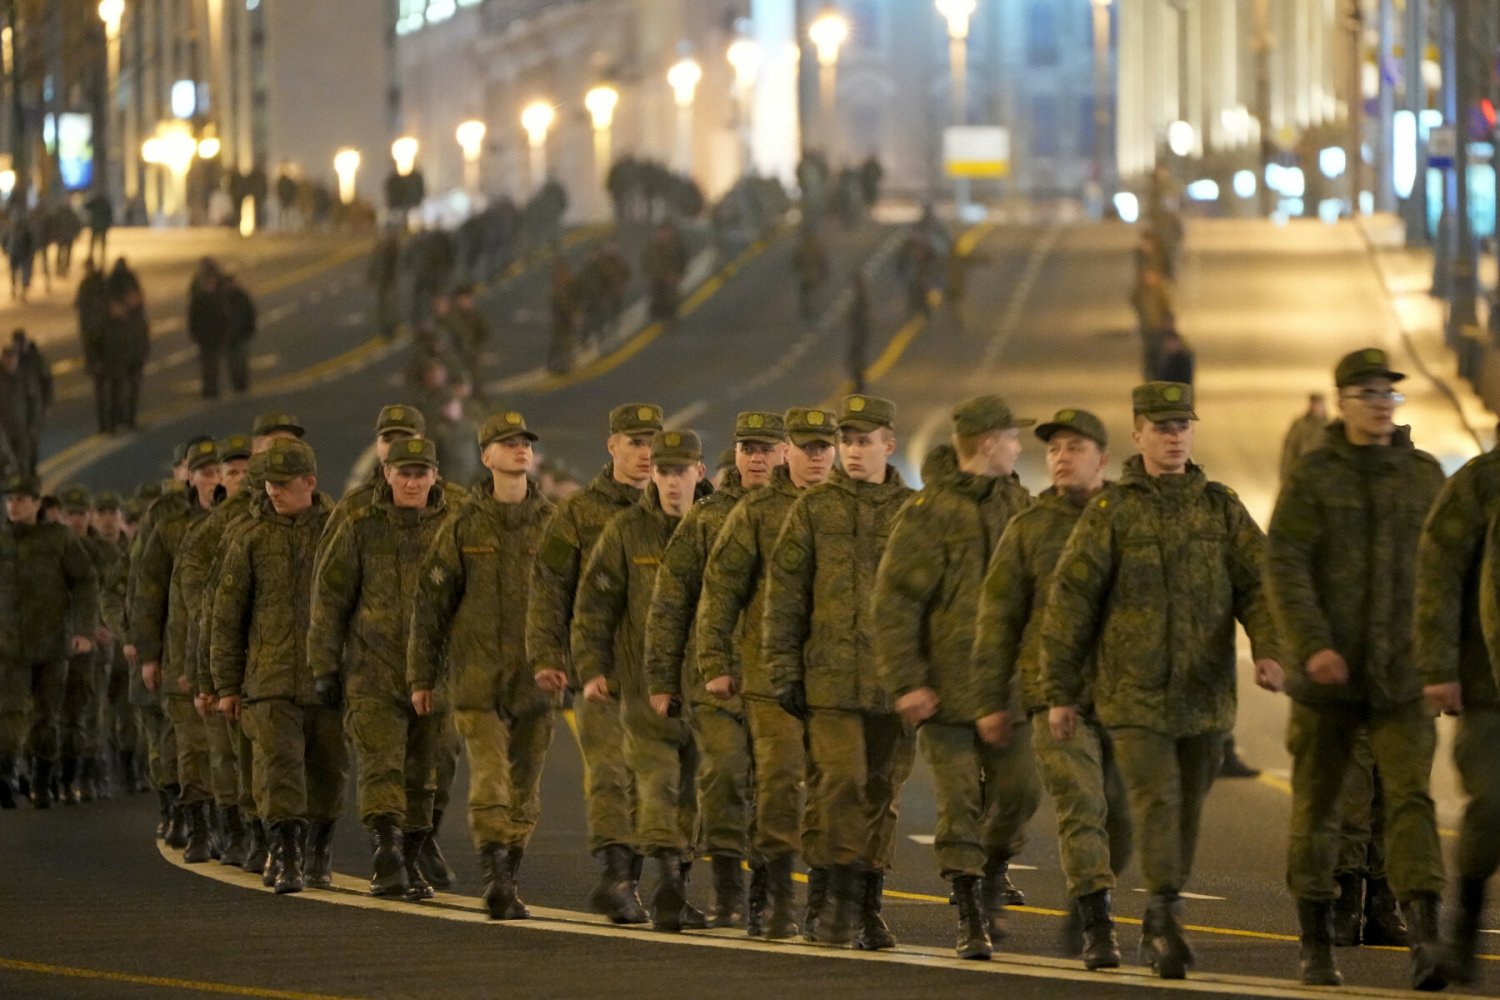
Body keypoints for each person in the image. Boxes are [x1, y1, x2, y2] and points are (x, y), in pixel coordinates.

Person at [1040, 381, 1284, 980]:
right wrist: (1060, 692)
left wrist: (1270, 650)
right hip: (1132, 696)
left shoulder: (1220, 507)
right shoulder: (1113, 510)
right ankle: (1163, 919)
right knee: (1155, 800)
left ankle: (1146, 904)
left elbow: (1259, 584)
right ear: (1138, 435)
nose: (1174, 437)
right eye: (1161, 428)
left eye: (1182, 427)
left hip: (1205, 698)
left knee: (1186, 812)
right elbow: (1072, 603)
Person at [1265, 349, 1448, 990]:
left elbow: (1449, 575)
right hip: (1327, 685)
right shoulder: (1315, 477)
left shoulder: (1424, 477)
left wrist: (1447, 664)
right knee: (1319, 809)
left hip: (1403, 679)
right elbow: (1283, 565)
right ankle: (1319, 936)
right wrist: (1311, 644)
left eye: (1387, 393)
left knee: (1410, 803)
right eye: (1366, 392)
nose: (1379, 403)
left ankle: (1423, 929)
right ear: (1341, 401)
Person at [874, 395, 1037, 961]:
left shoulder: (1023, 507)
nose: (1019, 446)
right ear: (990, 443)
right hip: (944, 694)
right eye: (1013, 437)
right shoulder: (929, 514)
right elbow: (895, 604)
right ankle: (970, 912)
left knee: (1020, 794)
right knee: (960, 800)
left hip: (1012, 693)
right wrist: (907, 683)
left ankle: (992, 873)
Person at [974, 408, 1131, 969]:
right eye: (1055, 449)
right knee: (1080, 805)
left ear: (1103, 458)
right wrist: (990, 697)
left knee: (1125, 816)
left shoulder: (1129, 518)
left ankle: (1086, 900)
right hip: (1052, 694)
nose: (1062, 457)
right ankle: (1097, 921)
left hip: (1130, 695)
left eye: (1075, 447)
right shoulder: (1030, 528)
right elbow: (997, 620)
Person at [765, 394, 914, 949]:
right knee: (839, 784)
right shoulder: (814, 509)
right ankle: (832, 900)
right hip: (827, 681)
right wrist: (784, 669)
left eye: (863, 440)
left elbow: (935, 599)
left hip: (893, 684)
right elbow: (785, 595)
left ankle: (867, 902)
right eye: (846, 441)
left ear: (887, 445)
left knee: (881, 790)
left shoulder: (912, 512)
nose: (852, 450)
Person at [698, 407, 838, 939]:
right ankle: (772, 894)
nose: (817, 455)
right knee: (778, 784)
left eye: (826, 446)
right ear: (792, 451)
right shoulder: (752, 513)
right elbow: (718, 591)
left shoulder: (851, 508)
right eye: (808, 446)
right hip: (768, 677)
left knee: (837, 791)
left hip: (838, 680)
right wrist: (714, 662)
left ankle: (827, 901)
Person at [644, 411, 787, 930]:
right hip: (716, 680)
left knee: (777, 787)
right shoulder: (705, 519)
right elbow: (671, 603)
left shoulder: (802, 514)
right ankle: (730, 889)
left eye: (765, 448)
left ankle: (767, 893)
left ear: (784, 453)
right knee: (725, 776)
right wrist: (662, 680)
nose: (755, 456)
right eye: (747, 447)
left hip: (781, 684)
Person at [408, 411, 553, 920]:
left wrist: (573, 665)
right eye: (506, 443)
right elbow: (431, 607)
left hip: (536, 682)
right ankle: (496, 877)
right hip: (476, 680)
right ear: (487, 456)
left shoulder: (554, 524)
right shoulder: (463, 524)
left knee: (524, 788)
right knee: (489, 778)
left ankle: (510, 870)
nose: (519, 449)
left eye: (524, 442)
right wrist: (422, 677)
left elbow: (573, 603)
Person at [528, 403, 664, 924]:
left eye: (652, 441)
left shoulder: (678, 510)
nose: (645, 451)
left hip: (662, 678)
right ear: (613, 447)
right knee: (610, 775)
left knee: (659, 783)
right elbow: (549, 590)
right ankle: (617, 877)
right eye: (634, 441)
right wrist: (548, 656)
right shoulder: (579, 514)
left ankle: (650, 878)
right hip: (602, 674)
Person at [574, 428, 710, 932]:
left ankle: (675, 883)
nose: (673, 482)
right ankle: (667, 887)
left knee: (694, 789)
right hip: (639, 686)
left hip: (706, 687)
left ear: (701, 472)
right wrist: (592, 669)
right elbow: (594, 606)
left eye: (683, 471)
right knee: (657, 782)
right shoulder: (627, 531)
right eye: (665, 472)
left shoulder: (719, 526)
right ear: (654, 475)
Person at [309, 436, 451, 901]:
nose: (412, 482)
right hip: (372, 671)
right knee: (381, 767)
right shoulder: (358, 521)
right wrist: (324, 667)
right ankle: (387, 857)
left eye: (420, 473)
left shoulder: (455, 525)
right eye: (403, 473)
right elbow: (330, 599)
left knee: (423, 773)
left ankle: (409, 858)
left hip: (435, 674)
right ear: (386, 474)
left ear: (434, 476)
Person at [211, 439, 346, 895]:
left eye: (284, 484)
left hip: (327, 677)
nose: (274, 492)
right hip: (267, 678)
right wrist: (226, 684)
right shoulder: (249, 536)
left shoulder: (338, 531)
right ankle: (285, 854)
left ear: (310, 482)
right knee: (278, 767)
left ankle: (318, 852)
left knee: (328, 770)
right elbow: (227, 616)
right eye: (269, 483)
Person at [1414, 429, 1500, 988]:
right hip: (1490, 685)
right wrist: (1440, 666)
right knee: (1494, 804)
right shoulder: (1481, 481)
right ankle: (1463, 927)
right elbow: (1439, 572)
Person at [131, 440, 222, 861]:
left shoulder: (237, 516)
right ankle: (198, 824)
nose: (212, 478)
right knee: (191, 743)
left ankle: (231, 823)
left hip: (226, 652)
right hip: (180, 650)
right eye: (203, 471)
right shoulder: (167, 520)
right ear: (190, 476)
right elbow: (148, 589)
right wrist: (149, 654)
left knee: (225, 746)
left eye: (217, 470)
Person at [0, 473, 98, 810]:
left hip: (51, 643)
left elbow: (85, 581)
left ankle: (42, 780)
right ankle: (7, 775)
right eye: (10, 499)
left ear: (37, 504)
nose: (15, 504)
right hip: (7, 646)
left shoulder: (58, 539)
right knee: (8, 713)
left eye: (22, 499)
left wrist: (84, 630)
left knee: (46, 716)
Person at [1280, 394, 1328, 483]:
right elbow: (1290, 450)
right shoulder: (1300, 425)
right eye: (1314, 404)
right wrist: (1286, 475)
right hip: (1301, 474)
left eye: (1319, 404)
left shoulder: (1330, 427)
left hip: (1321, 476)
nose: (1316, 407)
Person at [221, 274, 257, 394]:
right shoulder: (222, 299)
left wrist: (248, 330)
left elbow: (250, 314)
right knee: (232, 363)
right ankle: (237, 384)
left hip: (240, 335)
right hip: (228, 336)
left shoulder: (241, 297)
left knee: (240, 361)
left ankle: (242, 384)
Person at [85, 189, 114, 266]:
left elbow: (86, 206)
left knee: (93, 242)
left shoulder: (95, 202)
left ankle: (92, 256)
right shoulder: (105, 203)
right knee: (102, 242)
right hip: (103, 226)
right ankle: (102, 257)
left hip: (96, 225)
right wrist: (108, 224)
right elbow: (109, 215)